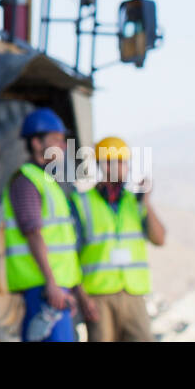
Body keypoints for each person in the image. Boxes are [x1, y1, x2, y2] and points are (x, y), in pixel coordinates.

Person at [0, 107, 89, 342]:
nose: (61, 146)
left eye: (62, 141)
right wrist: (51, 283)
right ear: (37, 143)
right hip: (44, 290)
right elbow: (33, 234)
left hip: (56, 290)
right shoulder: (27, 181)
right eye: (56, 140)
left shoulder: (49, 182)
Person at [70, 136, 166, 342]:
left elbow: (159, 239)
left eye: (125, 163)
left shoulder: (135, 202)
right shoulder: (82, 203)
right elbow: (70, 255)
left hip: (133, 295)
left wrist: (146, 202)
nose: (123, 168)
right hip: (98, 296)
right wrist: (81, 295)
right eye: (117, 162)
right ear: (103, 165)